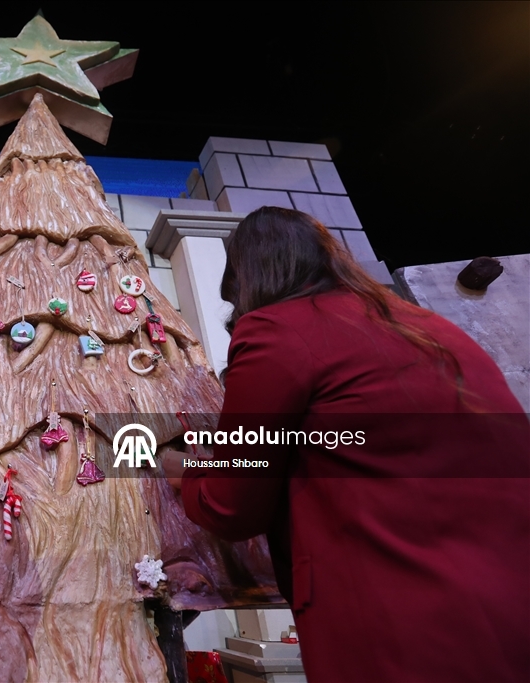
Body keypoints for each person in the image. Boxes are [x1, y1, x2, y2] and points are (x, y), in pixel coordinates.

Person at [171, 207, 529, 682]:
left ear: (247, 278)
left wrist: (181, 469)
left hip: (398, 612)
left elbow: (232, 507)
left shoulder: (276, 330)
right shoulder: (429, 327)